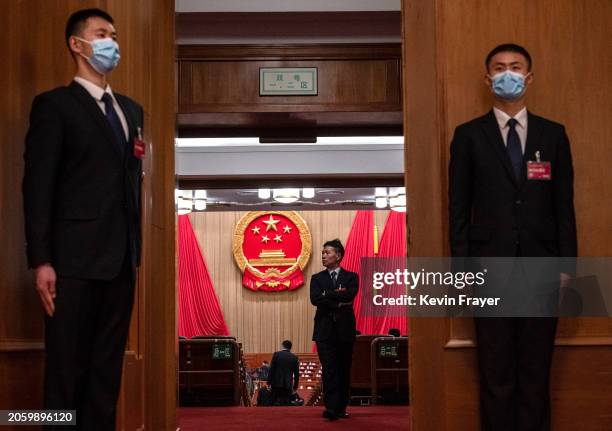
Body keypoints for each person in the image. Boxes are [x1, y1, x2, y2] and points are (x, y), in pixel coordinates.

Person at [22, 8, 143, 430]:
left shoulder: (131, 110)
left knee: (105, 376)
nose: (112, 42)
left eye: (115, 34)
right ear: (77, 44)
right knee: (64, 374)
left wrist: (134, 253)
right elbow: (37, 188)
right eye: (102, 34)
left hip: (120, 264)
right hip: (71, 265)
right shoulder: (54, 106)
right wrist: (41, 261)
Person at [449, 43, 576, 431]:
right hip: (489, 269)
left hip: (543, 269)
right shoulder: (469, 135)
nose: (508, 73)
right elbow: (458, 209)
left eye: (516, 67)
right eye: (500, 68)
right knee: (496, 373)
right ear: (488, 79)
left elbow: (564, 206)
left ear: (529, 77)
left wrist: (568, 267)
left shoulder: (553, 135)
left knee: (537, 373)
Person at [310, 239, 359, 420]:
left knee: (344, 370)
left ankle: (341, 407)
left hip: (345, 331)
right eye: (322, 253)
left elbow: (350, 294)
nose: (323, 256)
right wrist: (339, 297)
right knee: (329, 369)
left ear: (338, 255)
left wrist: (327, 294)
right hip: (324, 332)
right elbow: (315, 299)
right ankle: (330, 409)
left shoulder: (351, 277)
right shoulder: (317, 278)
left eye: (327, 252)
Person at [267, 340, 300, 405]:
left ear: (282, 346)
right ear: (290, 347)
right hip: (288, 385)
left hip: (276, 383)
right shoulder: (294, 357)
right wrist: (295, 386)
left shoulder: (276, 354)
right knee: (286, 405)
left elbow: (272, 369)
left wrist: (269, 382)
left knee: (271, 403)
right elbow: (296, 374)